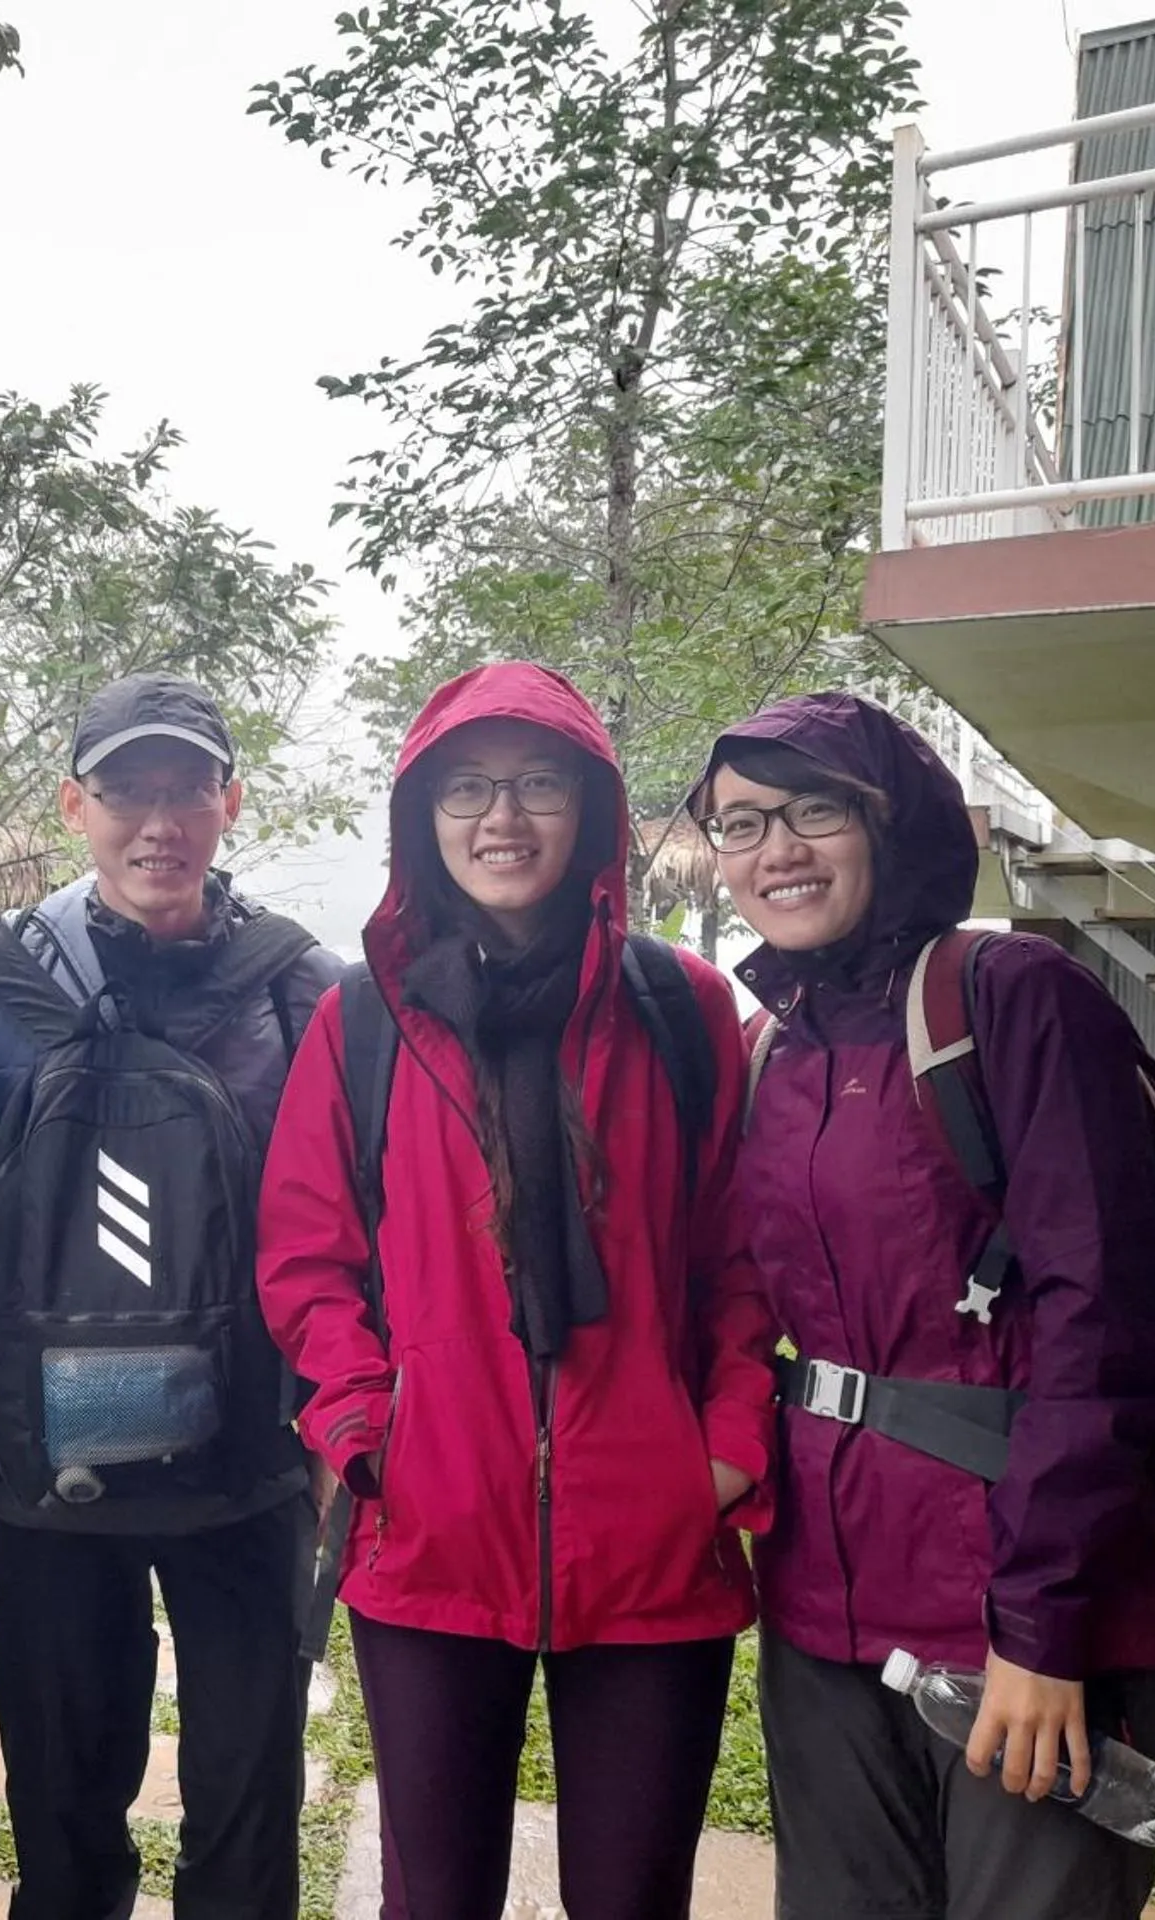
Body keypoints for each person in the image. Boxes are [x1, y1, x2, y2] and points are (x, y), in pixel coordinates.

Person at [256, 661, 774, 1920]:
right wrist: (364, 1433)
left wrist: (719, 1452)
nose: (502, 818)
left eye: (539, 783)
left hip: (652, 1539)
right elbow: (307, 1258)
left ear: (591, 812)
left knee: (633, 1896)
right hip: (429, 1521)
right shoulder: (366, 1020)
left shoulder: (682, 1009)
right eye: (467, 790)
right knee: (432, 1898)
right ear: (421, 822)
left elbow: (742, 1260)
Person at [692, 691, 1155, 1920]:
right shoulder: (776, 1047)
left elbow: (1106, 1324)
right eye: (741, 822)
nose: (776, 850)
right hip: (823, 1608)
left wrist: (1043, 1629)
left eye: (815, 810)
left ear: (892, 822)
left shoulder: (1007, 999)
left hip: (1021, 1610)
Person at [0, 672, 341, 1920]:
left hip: (249, 1458)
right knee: (56, 1790)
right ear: (75, 804)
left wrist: (342, 1410)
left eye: (184, 791)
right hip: (47, 1464)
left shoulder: (301, 988)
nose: (156, 822)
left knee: (248, 1789)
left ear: (229, 803)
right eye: (125, 792)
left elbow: (364, 1218)